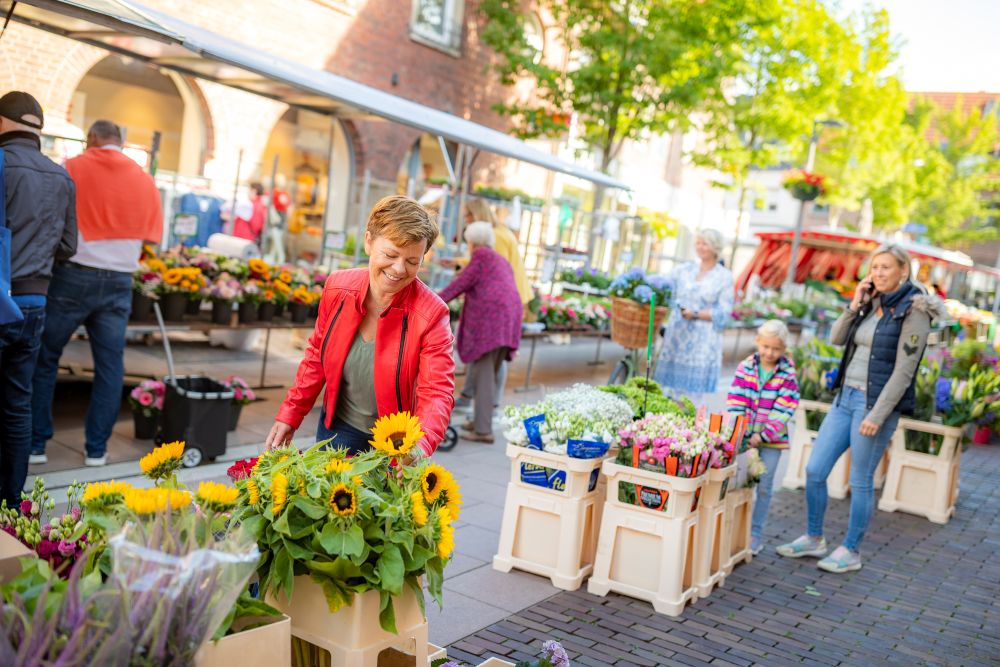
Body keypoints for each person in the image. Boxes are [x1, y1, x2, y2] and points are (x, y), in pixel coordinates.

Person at [777, 244, 945, 573]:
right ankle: (814, 537)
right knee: (814, 471)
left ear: (903, 271)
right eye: (874, 267)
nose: (878, 273)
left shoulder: (915, 309)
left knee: (861, 479)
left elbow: (904, 371)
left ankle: (851, 550)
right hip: (845, 399)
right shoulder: (870, 302)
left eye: (885, 267)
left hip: (874, 405)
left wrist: (877, 415)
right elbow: (838, 338)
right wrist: (855, 304)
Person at [265, 195, 454, 460]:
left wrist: (419, 447)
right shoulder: (338, 288)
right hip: (339, 427)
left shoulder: (431, 314)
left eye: (413, 261)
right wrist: (290, 414)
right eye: (390, 254)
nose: (399, 269)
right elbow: (316, 356)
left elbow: (436, 391)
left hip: (396, 443)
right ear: (368, 241)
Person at [30, 119, 163, 467]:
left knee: (45, 357)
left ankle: (36, 443)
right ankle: (96, 450)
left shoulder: (72, 166)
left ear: (92, 139)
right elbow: (152, 239)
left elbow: (51, 216)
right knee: (109, 366)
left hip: (73, 275)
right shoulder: (144, 179)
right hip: (120, 281)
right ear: (120, 140)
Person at [0, 91, 77, 505]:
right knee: (17, 404)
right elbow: (68, 246)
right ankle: (11, 502)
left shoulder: (2, 164)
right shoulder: (61, 176)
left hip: (1, 296)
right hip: (34, 303)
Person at [438, 222, 523, 443]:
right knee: (487, 371)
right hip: (508, 321)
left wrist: (432, 301)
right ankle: (479, 420)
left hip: (490, 326)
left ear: (472, 242)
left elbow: (459, 286)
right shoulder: (498, 259)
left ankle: (483, 430)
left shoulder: (481, 258)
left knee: (484, 374)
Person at [453, 199, 532, 416]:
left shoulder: (492, 241)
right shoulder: (498, 235)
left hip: (499, 311)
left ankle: (487, 414)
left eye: (467, 216)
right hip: (510, 305)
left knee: (488, 362)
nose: (466, 220)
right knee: (488, 361)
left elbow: (477, 275)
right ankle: (475, 402)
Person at [727, 319, 800, 555]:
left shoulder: (787, 374)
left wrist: (762, 434)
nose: (770, 352)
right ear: (758, 342)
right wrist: (744, 433)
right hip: (744, 439)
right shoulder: (745, 367)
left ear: (784, 349)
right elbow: (736, 400)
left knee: (765, 485)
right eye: (766, 346)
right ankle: (734, 529)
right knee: (739, 482)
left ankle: (755, 532)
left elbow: (785, 408)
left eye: (776, 349)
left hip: (771, 441)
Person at [654, 229, 734, 404]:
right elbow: (662, 284)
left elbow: (724, 312)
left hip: (703, 340)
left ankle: (689, 427)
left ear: (715, 248)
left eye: (705, 243)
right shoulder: (685, 269)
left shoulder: (724, 276)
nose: (700, 247)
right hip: (678, 335)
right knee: (668, 393)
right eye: (698, 242)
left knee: (692, 397)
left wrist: (696, 314)